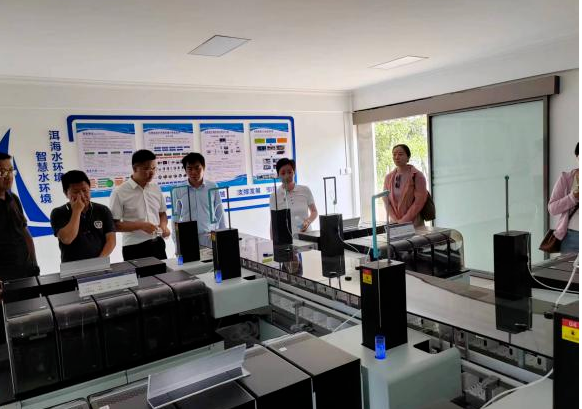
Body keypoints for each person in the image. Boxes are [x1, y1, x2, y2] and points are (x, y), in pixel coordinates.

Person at [110, 149, 170, 260]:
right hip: (134, 247)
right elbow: (114, 225)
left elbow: (162, 213)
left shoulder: (156, 188)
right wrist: (141, 225)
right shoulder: (119, 192)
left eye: (154, 168)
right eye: (146, 168)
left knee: (164, 271)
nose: (151, 172)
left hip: (158, 243)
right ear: (135, 169)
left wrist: (164, 226)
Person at [50, 170, 116, 263]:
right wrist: (77, 211)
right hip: (71, 266)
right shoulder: (58, 212)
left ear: (90, 189)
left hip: (100, 262)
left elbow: (111, 240)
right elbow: (67, 239)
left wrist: (99, 261)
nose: (81, 195)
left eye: (85, 190)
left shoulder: (102, 210)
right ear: (66, 193)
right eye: (76, 192)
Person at [172, 152, 226, 247]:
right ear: (185, 170)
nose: (194, 172)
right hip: (187, 237)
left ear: (203, 167)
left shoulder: (212, 187)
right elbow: (175, 217)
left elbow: (219, 212)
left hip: (209, 236)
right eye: (190, 169)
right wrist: (176, 241)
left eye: (197, 168)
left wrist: (223, 235)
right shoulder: (178, 189)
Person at [0, 152, 38, 280]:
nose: (8, 176)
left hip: (24, 269)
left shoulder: (13, 199)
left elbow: (25, 233)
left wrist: (34, 262)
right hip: (4, 275)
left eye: (10, 171)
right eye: (2, 172)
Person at [269, 158, 318, 236]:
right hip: (286, 238)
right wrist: (273, 240)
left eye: (289, 172)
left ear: (294, 172)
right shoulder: (274, 196)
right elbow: (273, 221)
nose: (287, 176)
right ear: (278, 175)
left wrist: (308, 221)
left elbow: (314, 211)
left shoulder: (305, 190)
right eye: (283, 173)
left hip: (306, 235)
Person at [383, 144, 428, 227]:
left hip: (414, 224)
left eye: (400, 154)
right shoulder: (388, 177)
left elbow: (419, 202)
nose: (396, 157)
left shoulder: (417, 175)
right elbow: (386, 201)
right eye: (394, 154)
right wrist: (396, 221)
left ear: (408, 157)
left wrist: (404, 220)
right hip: (395, 224)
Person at [548, 142, 579, 254]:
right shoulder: (566, 178)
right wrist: (572, 197)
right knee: (566, 266)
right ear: (577, 156)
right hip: (571, 237)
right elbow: (552, 209)